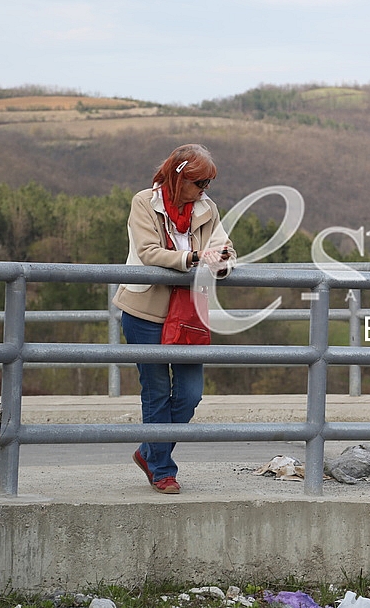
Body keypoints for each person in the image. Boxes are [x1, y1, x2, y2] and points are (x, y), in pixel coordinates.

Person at [113, 143, 234, 494]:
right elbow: (149, 252)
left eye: (209, 183)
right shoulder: (143, 203)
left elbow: (226, 250)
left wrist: (222, 262)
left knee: (190, 394)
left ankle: (149, 452)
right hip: (145, 311)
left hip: (189, 314)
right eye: (200, 183)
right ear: (179, 178)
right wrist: (195, 258)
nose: (205, 190)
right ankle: (162, 470)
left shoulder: (208, 208)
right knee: (155, 393)